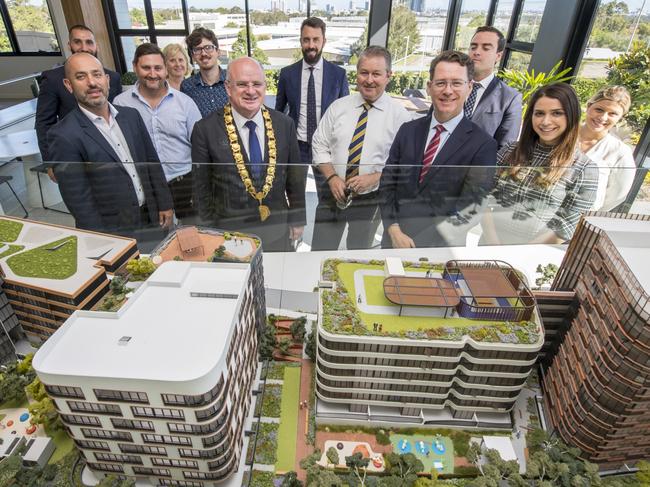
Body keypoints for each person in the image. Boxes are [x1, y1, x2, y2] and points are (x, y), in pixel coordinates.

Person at [48, 53, 173, 242]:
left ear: (106, 80)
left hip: (150, 217)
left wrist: (165, 204)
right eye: (81, 77)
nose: (92, 82)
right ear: (68, 85)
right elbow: (79, 200)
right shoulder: (63, 135)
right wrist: (102, 241)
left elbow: (152, 162)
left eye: (97, 74)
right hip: (112, 230)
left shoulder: (131, 116)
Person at [379, 50, 497, 248]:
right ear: (429, 87)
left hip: (440, 249)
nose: (448, 90)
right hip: (394, 241)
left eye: (456, 83)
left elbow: (472, 208)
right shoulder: (408, 130)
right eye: (441, 82)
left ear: (469, 88)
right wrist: (393, 229)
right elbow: (387, 184)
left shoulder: (483, 145)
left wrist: (420, 244)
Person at [192, 57, 306, 252]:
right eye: (242, 84)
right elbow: (202, 190)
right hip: (230, 235)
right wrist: (209, 234)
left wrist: (298, 219)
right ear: (228, 88)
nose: (251, 91)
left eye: (257, 84)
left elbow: (295, 178)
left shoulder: (284, 124)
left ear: (265, 86)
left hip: (277, 230)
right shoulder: (205, 130)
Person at [311, 46, 410, 250]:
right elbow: (319, 144)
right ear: (357, 74)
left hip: (371, 199)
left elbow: (404, 165)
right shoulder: (339, 107)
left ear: (388, 76)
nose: (369, 79)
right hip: (332, 192)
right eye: (364, 72)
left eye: (376, 74)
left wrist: (375, 178)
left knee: (360, 254)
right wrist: (332, 177)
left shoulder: (400, 117)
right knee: (320, 251)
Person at [481, 83, 599, 245]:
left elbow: (566, 225)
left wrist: (520, 255)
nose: (545, 121)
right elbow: (482, 196)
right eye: (539, 113)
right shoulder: (509, 150)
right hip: (489, 245)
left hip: (535, 255)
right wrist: (493, 243)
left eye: (556, 113)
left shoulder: (585, 168)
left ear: (571, 116)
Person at [114, 43, 202, 220]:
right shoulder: (121, 104)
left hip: (183, 183)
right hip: (146, 185)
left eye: (158, 68)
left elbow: (200, 145)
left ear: (165, 70)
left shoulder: (185, 103)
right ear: (135, 67)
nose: (153, 74)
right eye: (146, 67)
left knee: (191, 238)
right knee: (155, 240)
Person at [275, 17, 349, 198]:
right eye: (306, 39)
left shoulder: (338, 75)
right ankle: (296, 227)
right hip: (297, 145)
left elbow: (345, 114)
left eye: (316, 39)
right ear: (301, 41)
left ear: (324, 41)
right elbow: (278, 111)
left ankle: (324, 227)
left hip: (326, 146)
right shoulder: (287, 74)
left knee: (327, 197)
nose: (311, 45)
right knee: (295, 195)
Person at [36, 24, 122, 162]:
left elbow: (117, 116)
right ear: (69, 45)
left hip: (110, 150)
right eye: (78, 42)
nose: (84, 48)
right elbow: (44, 123)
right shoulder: (53, 79)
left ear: (96, 46)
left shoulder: (113, 77)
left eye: (89, 42)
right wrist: (51, 162)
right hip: (74, 151)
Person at [578, 85, 636, 211]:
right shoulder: (562, 135)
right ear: (588, 106)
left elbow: (617, 196)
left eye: (613, 114)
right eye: (599, 109)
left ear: (620, 118)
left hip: (579, 219)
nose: (603, 117)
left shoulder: (620, 152)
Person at [466, 26, 522, 149]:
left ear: (498, 56)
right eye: (473, 47)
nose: (476, 52)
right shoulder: (451, 85)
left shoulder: (510, 98)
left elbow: (505, 149)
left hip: (478, 167)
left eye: (486, 48)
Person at [181, 27, 228, 118]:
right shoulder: (186, 87)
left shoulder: (232, 79)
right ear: (193, 57)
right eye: (197, 50)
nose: (203, 54)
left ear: (217, 51)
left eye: (208, 48)